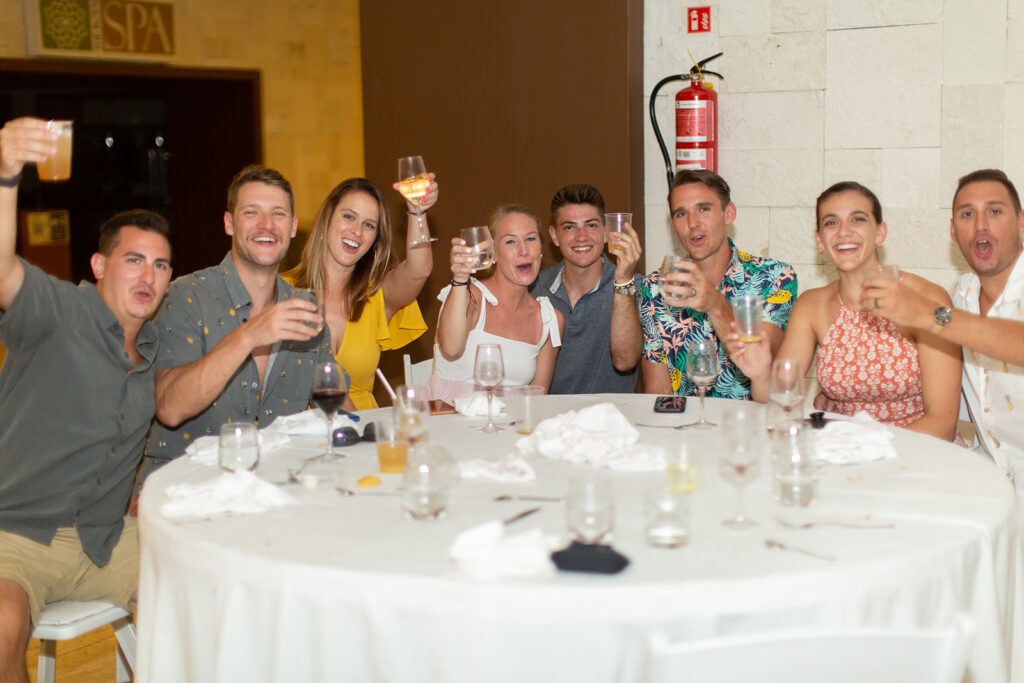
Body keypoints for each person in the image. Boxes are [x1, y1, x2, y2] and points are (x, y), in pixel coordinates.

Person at [0, 118, 173, 682]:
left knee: (205, 586)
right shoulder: (59, 312)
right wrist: (6, 176)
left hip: (106, 540)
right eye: (133, 259)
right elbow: (2, 269)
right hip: (17, 535)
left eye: (161, 265)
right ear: (99, 266)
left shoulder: (155, 350)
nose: (148, 275)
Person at [142, 165, 341, 480]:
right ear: (229, 223)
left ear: (292, 227)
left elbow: (336, 407)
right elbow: (169, 408)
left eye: (278, 214)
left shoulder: (305, 312)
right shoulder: (185, 297)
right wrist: (249, 335)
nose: (266, 225)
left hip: (272, 487)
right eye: (252, 212)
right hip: (184, 488)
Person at [729, 181, 962, 441]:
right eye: (831, 223)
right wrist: (761, 374)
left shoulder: (927, 298)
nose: (843, 232)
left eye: (857, 219)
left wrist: (865, 447)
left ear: (880, 233)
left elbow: (942, 424)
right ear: (820, 240)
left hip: (917, 451)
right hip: (844, 451)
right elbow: (778, 399)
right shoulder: (811, 306)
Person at [864, 170, 1024, 481]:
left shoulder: (944, 311)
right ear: (953, 230)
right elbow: (954, 395)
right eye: (967, 214)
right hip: (989, 481)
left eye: (994, 211)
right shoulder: (962, 294)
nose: (980, 224)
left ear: (1021, 222)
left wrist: (929, 315)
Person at [638, 169, 797, 399]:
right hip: (684, 420)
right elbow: (658, 392)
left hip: (749, 419)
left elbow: (765, 361)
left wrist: (714, 303)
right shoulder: (655, 287)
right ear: (673, 225)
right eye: (681, 214)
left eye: (704, 209)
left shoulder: (775, 277)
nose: (693, 223)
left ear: (728, 213)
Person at [285, 176, 437, 409]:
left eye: (369, 225)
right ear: (327, 219)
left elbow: (419, 271)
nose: (357, 231)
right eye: (349, 216)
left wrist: (418, 213)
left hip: (362, 425)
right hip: (298, 427)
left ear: (375, 240)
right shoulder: (282, 290)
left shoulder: (376, 295)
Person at [429, 204, 565, 403]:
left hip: (510, 421)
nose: (524, 251)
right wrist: (460, 278)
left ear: (541, 250)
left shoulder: (548, 320)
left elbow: (537, 401)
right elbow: (450, 349)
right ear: (492, 253)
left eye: (530, 239)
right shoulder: (468, 295)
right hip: (449, 419)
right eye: (510, 241)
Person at [529, 184, 643, 393]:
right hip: (548, 413)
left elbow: (625, 361)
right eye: (569, 227)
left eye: (591, 225)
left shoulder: (636, 287)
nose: (581, 236)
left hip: (611, 413)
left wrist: (623, 281)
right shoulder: (534, 289)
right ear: (554, 236)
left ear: (606, 232)